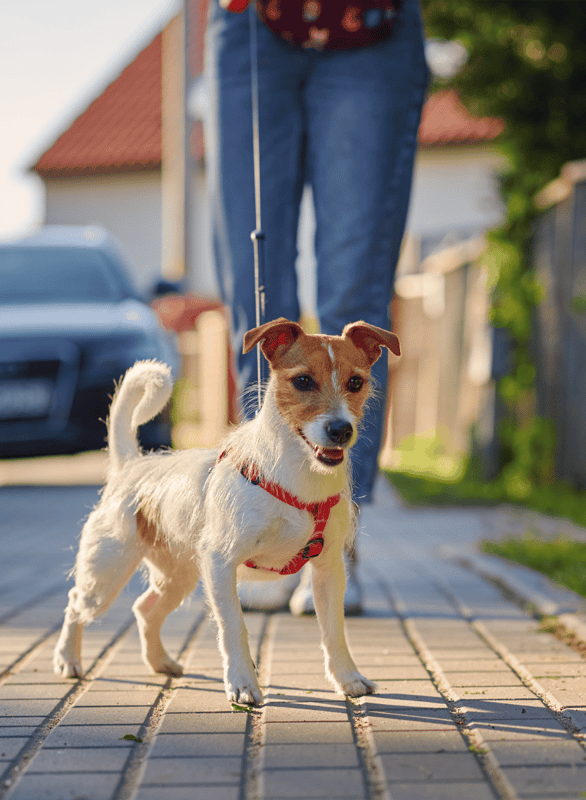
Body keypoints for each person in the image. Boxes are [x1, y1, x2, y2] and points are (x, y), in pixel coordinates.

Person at [204, 0, 430, 613]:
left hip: (372, 26)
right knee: (256, 289)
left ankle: (331, 538)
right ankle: (270, 524)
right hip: (250, 22)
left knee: (355, 294)